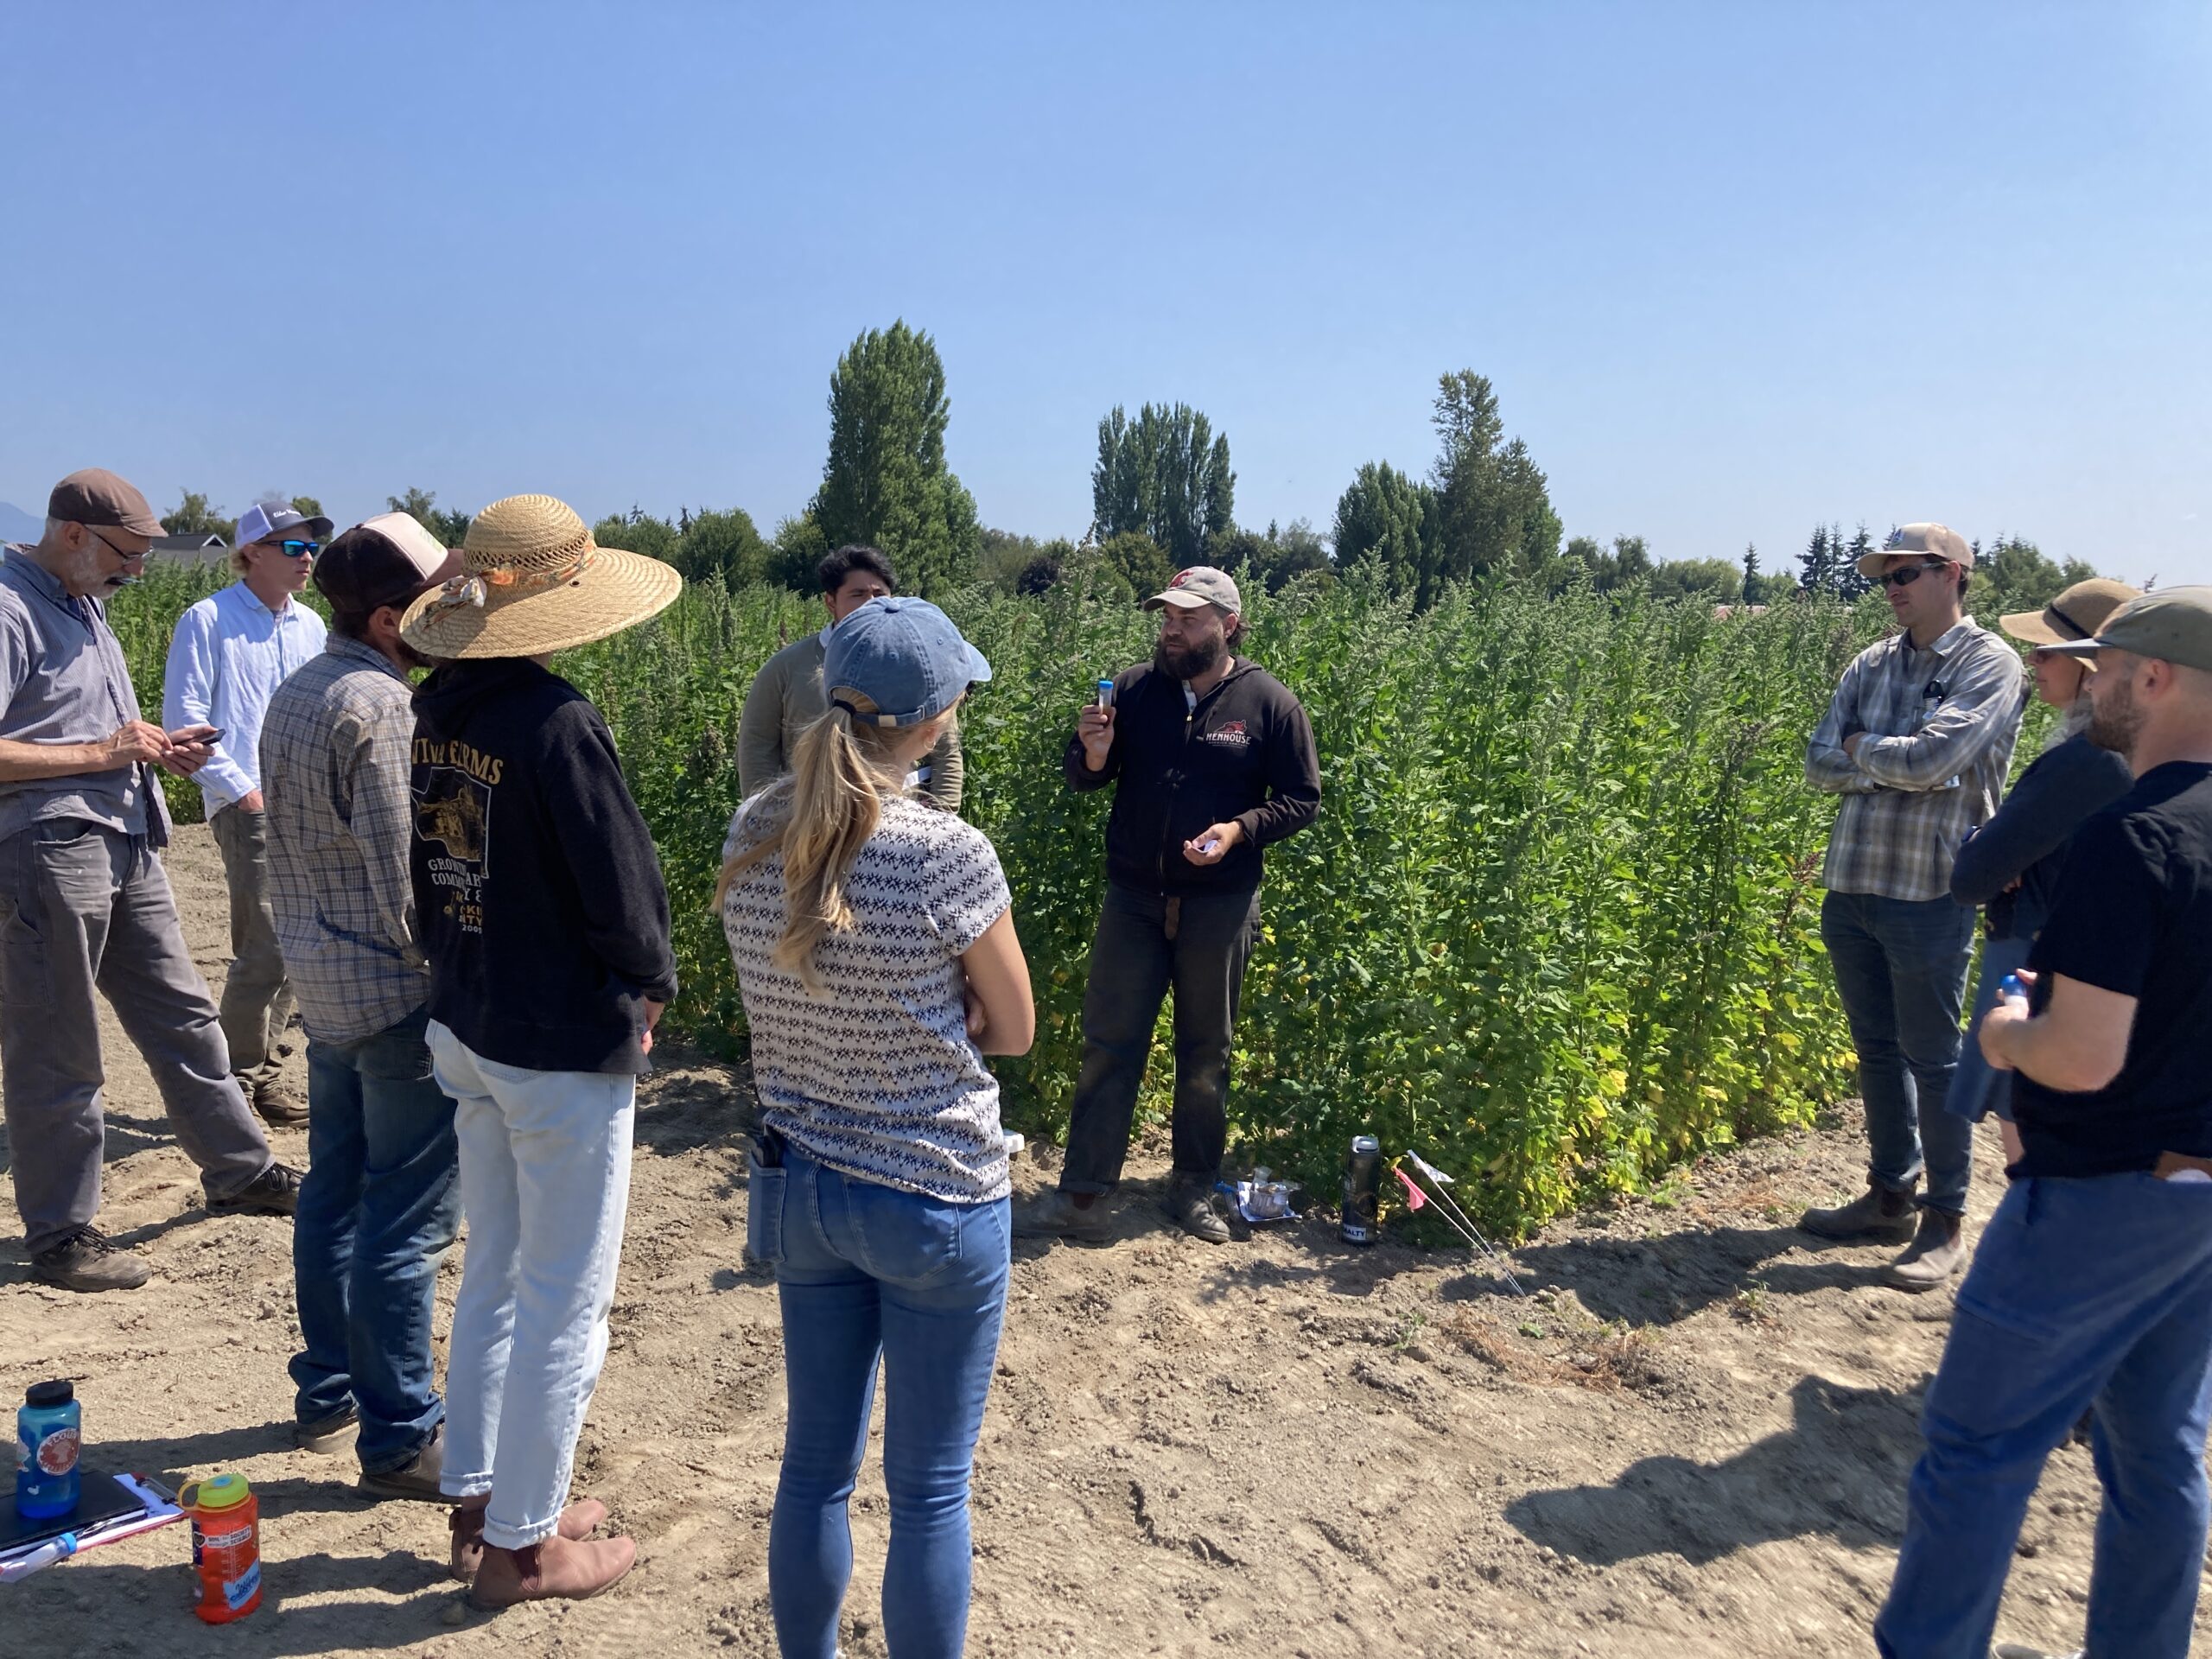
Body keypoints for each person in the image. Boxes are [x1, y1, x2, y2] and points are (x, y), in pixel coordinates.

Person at [1874, 585, 2212, 1659]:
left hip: (2101, 1197)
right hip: (2199, 1197)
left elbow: (2082, 1055)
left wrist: (2011, 1031)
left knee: (1976, 1447)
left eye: (2108, 664)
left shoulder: (2135, 834)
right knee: (2158, 1454)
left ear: (2152, 679)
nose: (2093, 678)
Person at [719, 595, 1031, 1659]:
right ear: (935, 716)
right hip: (935, 1189)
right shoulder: (947, 852)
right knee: (932, 1491)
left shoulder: (756, 829)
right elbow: (1018, 1026)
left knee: (813, 1468)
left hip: (803, 1185)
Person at [401, 493, 679, 1607]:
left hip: (468, 1017)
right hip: (555, 1038)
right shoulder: (557, 722)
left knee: (499, 1278)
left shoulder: (441, 704)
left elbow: (432, 865)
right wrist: (647, 984)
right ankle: (523, 1549)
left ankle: (483, 1500)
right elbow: (622, 892)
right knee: (567, 1296)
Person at [0, 470, 300, 1292]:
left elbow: (62, 722)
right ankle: (61, 1232)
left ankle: (238, 1169)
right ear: (70, 534)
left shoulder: (79, 597)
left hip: (124, 838)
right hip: (47, 849)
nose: (136, 571)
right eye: (126, 554)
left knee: (184, 1016)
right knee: (59, 1045)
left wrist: (152, 744)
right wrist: (106, 753)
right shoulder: (10, 608)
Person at [259, 513, 474, 1501]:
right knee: (408, 1220)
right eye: (430, 604)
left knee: (334, 1192)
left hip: (321, 983)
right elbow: (407, 883)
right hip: (392, 996)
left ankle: (330, 1386)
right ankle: (398, 1434)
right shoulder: (382, 710)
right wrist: (458, 973)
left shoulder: (301, 686)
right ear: (389, 618)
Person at [1017, 566, 1320, 1246]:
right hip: (1134, 899)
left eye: (1187, 618)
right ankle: (1085, 1197)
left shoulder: (1270, 704)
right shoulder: (1133, 690)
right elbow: (1085, 775)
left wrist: (1240, 829)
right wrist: (1093, 754)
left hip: (1220, 905)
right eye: (1166, 617)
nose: (1171, 629)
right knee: (1108, 1045)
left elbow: (1303, 799)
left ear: (1228, 625)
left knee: (1206, 1051)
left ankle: (1191, 1188)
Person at [1800, 524, 2025, 1291]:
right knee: (1876, 1050)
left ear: (1953, 573)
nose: (1892, 587)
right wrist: (1882, 759)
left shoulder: (1990, 663)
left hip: (1930, 889)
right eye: (1885, 576)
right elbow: (1816, 761)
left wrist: (1866, 750)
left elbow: (1938, 758)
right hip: (1854, 881)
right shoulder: (1870, 662)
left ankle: (1946, 1218)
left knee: (1935, 1059)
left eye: (1907, 573)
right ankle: (1889, 1192)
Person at [1945, 579, 2139, 1167]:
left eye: (2049, 650)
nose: (2034, 660)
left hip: (2037, 958)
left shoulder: (2084, 761)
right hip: (2083, 959)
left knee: (2027, 1141)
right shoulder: (2134, 754)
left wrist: (1989, 849)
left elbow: (1973, 878)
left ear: (2093, 667)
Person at [163, 499, 332, 1125]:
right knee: (265, 945)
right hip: (248, 803)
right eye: (293, 547)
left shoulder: (312, 626)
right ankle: (233, 1081)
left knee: (305, 943)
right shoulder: (207, 620)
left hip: (310, 803)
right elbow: (184, 721)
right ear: (251, 553)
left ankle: (267, 1074)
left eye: (312, 547)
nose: (307, 558)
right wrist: (243, 789)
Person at [738, 543, 964, 810]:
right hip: (809, 822)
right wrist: (766, 817)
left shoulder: (916, 662)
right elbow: (756, 745)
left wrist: (942, 817)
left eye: (880, 593)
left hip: (900, 825)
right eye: (858, 594)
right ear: (830, 601)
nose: (872, 603)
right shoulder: (786, 667)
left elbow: (946, 748)